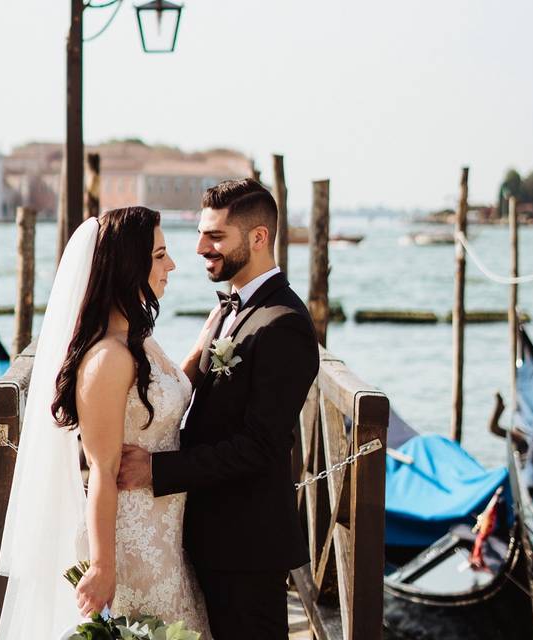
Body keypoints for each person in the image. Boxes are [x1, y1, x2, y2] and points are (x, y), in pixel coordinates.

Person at [117, 178, 320, 640]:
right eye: (201, 233)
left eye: (215, 237)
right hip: (209, 535)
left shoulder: (283, 324)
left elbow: (260, 446)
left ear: (258, 237)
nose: (200, 248)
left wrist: (157, 470)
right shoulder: (234, 309)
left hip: (246, 545)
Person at [0, 207, 212, 639]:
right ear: (128, 264)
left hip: (166, 541)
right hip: (130, 544)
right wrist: (102, 566)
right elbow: (101, 469)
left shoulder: (139, 340)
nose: (171, 265)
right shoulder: (108, 358)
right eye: (159, 255)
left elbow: (169, 392)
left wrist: (211, 336)